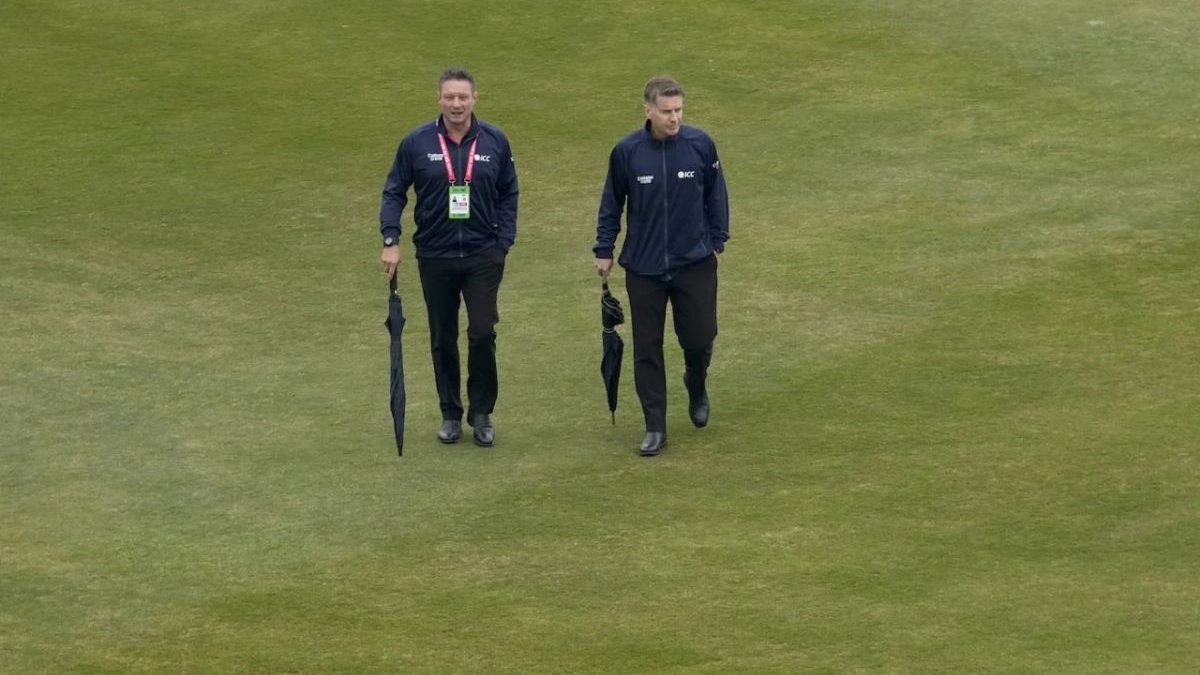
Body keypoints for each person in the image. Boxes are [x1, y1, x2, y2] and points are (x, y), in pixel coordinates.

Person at [380, 66, 518, 447]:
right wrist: (391, 238)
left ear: (475, 99)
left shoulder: (494, 142)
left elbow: (510, 193)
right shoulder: (417, 143)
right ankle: (451, 413)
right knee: (443, 336)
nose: (456, 104)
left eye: (463, 97)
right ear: (439, 99)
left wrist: (503, 242)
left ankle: (482, 412)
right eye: (450, 97)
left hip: (482, 256)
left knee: (481, 331)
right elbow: (394, 192)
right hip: (436, 254)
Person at [593, 76, 729, 457]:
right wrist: (604, 248)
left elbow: (716, 194)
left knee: (701, 337)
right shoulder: (627, 152)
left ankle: (696, 381)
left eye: (679, 110)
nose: (675, 118)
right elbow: (611, 203)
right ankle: (655, 426)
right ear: (648, 110)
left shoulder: (700, 145)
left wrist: (717, 242)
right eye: (667, 111)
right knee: (646, 348)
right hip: (645, 266)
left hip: (695, 263)